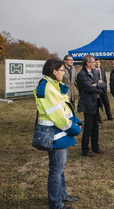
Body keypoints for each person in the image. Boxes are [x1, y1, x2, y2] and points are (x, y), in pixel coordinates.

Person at [34, 58, 82, 209]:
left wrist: (74, 119)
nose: (63, 73)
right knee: (56, 171)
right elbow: (58, 116)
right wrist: (73, 128)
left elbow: (63, 108)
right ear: (54, 72)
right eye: (62, 71)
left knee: (59, 169)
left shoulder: (52, 85)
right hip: (56, 134)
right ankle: (56, 205)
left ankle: (62, 195)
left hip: (59, 133)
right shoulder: (48, 88)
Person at [77, 54, 106, 157]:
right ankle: (85, 150)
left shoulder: (94, 71)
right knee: (88, 127)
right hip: (88, 104)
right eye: (93, 62)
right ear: (88, 63)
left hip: (96, 102)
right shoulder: (81, 74)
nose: (95, 63)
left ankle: (95, 147)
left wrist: (97, 85)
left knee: (95, 127)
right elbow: (89, 88)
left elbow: (103, 84)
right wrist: (98, 86)